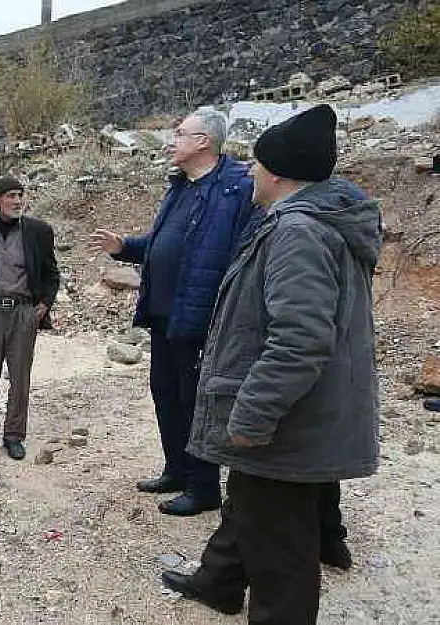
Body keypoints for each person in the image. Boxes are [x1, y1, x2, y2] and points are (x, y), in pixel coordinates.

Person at [161, 104, 381, 624]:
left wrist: (254, 413)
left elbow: (300, 340)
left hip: (290, 420)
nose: (250, 172)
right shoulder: (304, 222)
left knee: (280, 545)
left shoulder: (297, 233)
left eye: (257, 164)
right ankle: (218, 581)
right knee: (251, 497)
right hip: (303, 413)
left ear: (279, 173)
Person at [89, 109, 256, 516]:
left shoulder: (235, 187)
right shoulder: (180, 187)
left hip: (201, 316)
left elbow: (240, 252)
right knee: (165, 392)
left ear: (204, 142)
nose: (171, 139)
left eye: (180, 133)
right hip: (165, 314)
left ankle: (204, 487)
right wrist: (125, 247)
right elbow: (164, 243)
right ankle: (177, 470)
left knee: (194, 400)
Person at [0, 176, 60, 460]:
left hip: (22, 313)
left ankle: (14, 435)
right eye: (11, 196)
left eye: (19, 195)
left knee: (20, 378)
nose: (17, 201)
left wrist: (44, 304)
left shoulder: (38, 232)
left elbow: (52, 273)